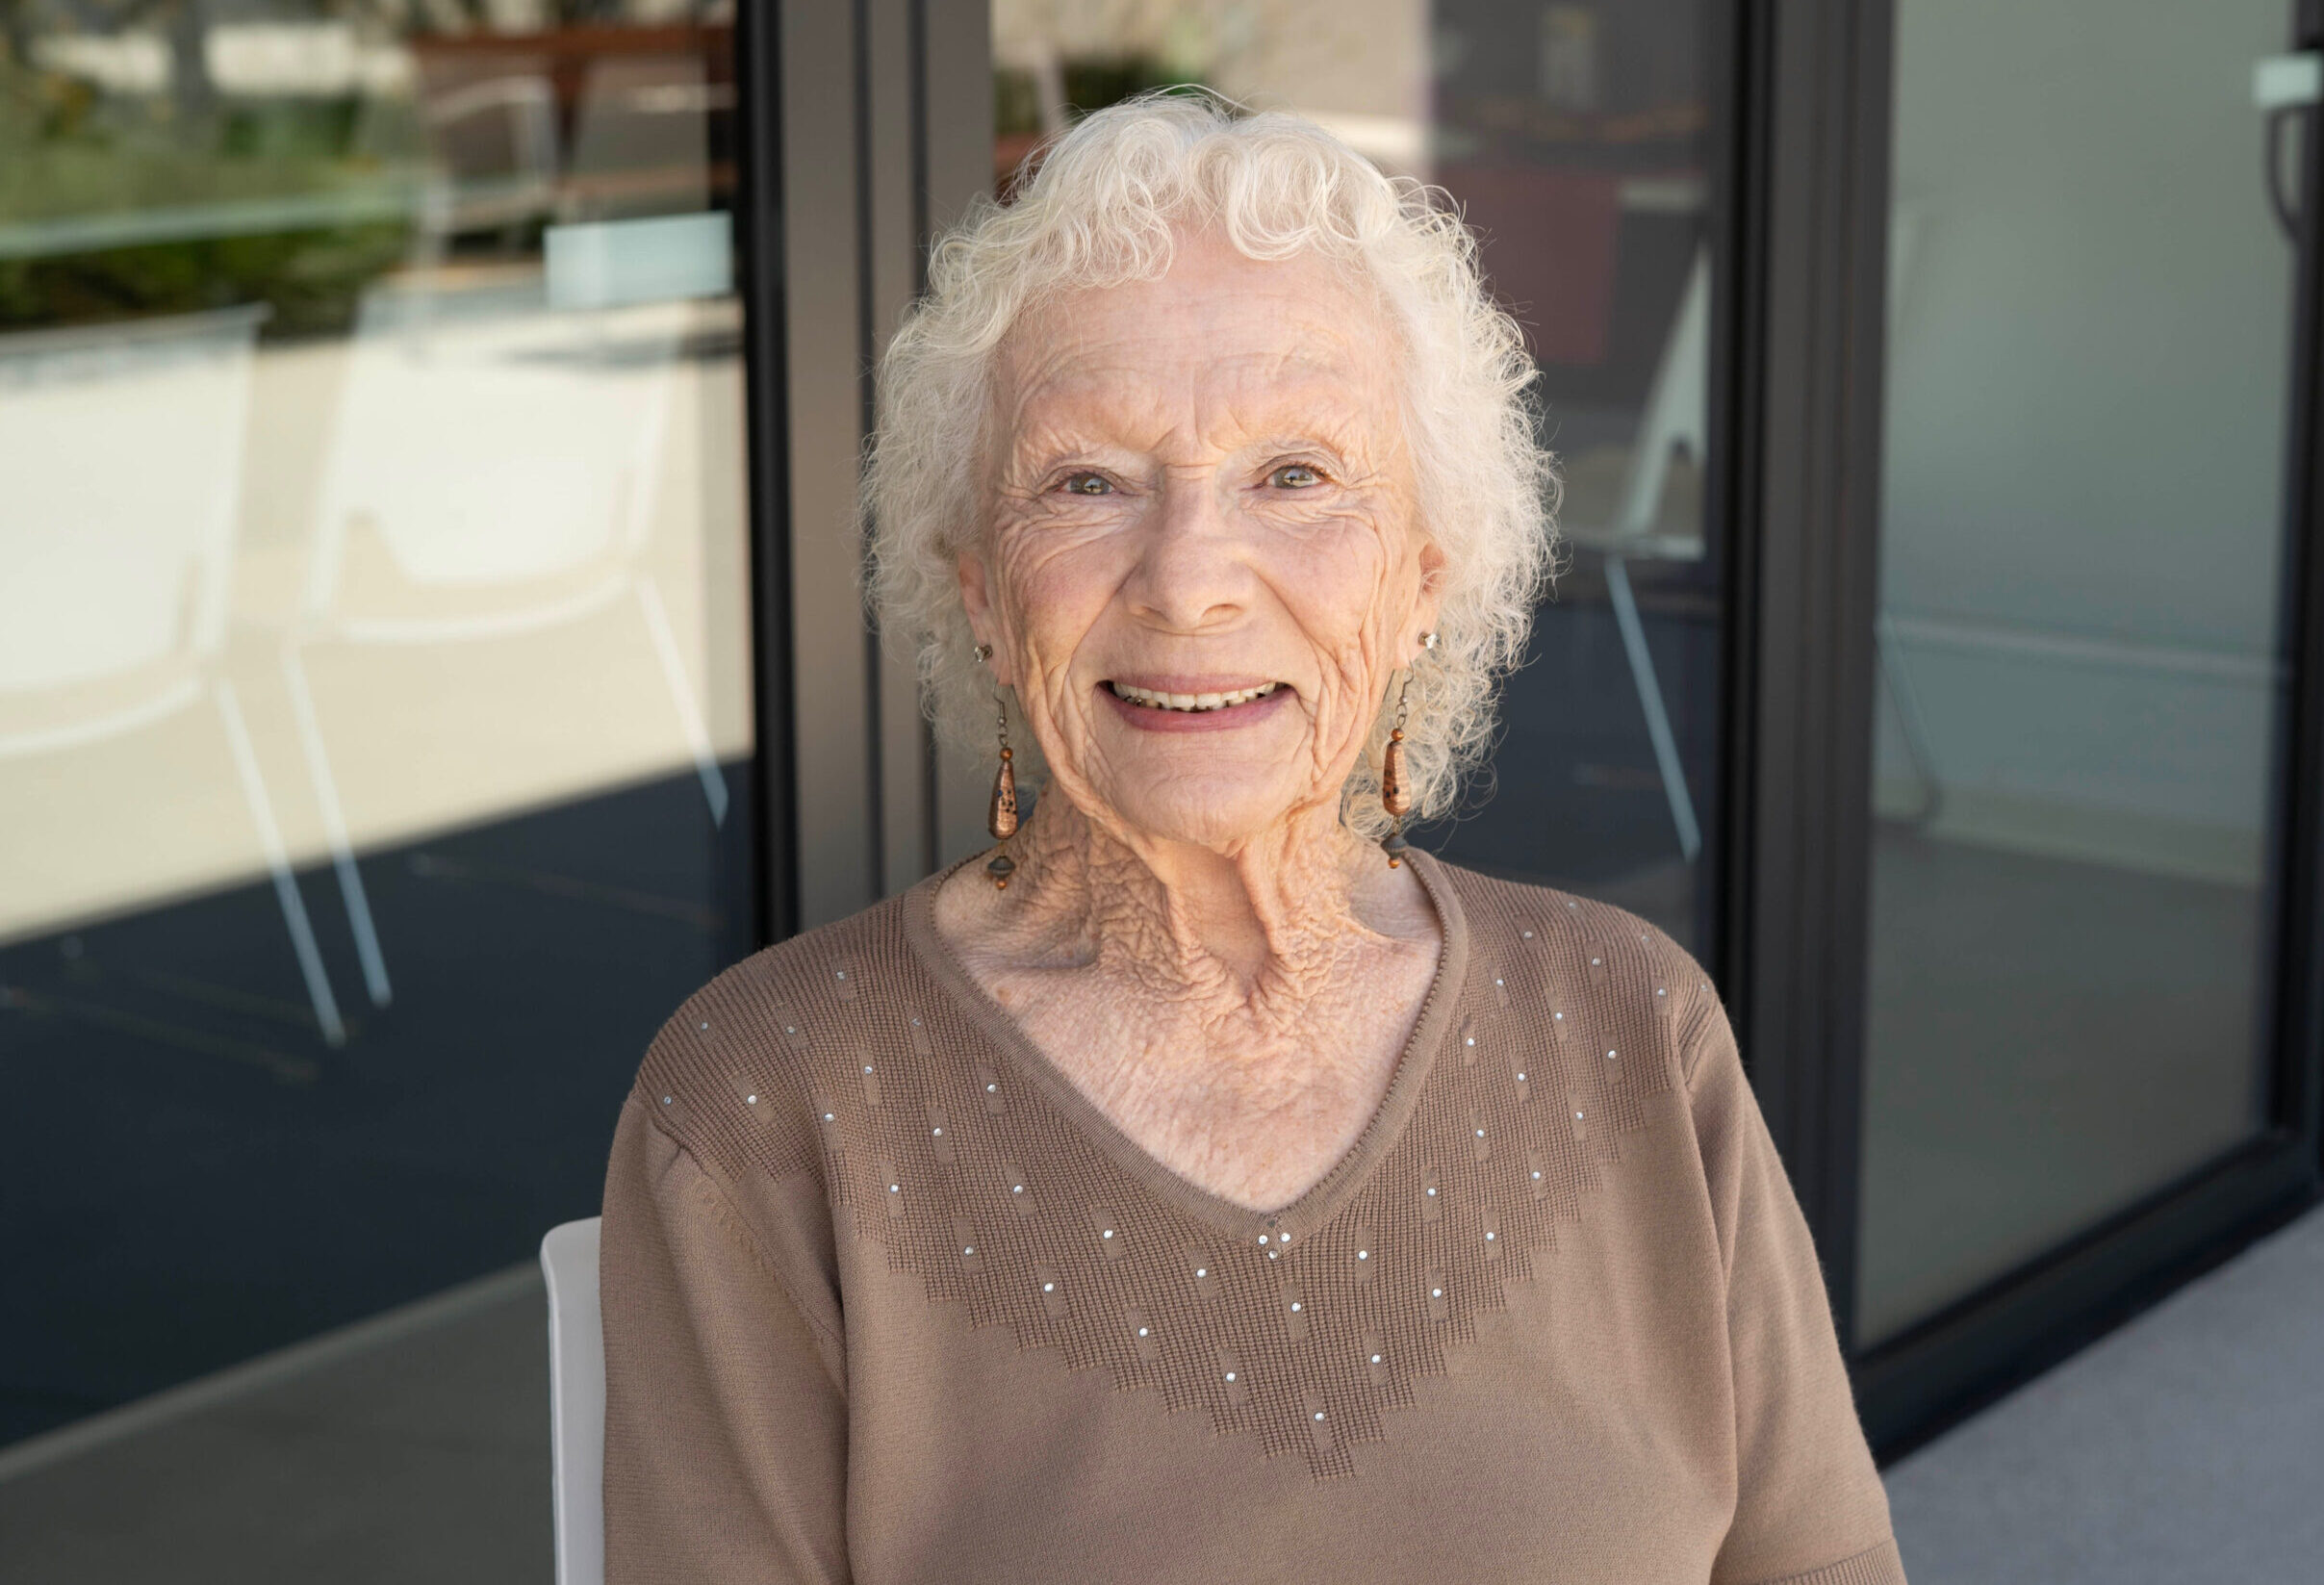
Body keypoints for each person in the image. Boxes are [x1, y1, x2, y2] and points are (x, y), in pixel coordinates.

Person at [599, 92, 1904, 1585]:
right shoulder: (770, 1104)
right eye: (1089, 481)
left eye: (1295, 476)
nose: (1189, 579)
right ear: (977, 587)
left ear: (1424, 577)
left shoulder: (1632, 1027)